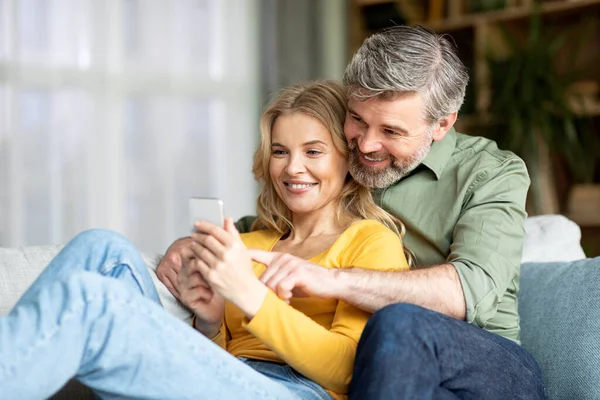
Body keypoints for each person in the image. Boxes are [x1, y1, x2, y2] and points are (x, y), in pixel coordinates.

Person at [157, 26, 547, 399]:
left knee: (395, 321)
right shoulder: (348, 164)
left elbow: (466, 290)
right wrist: (191, 245)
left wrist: (334, 280)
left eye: (391, 132)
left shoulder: (491, 173)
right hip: (384, 373)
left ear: (442, 124)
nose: (367, 145)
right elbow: (276, 224)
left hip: (483, 370)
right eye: (357, 119)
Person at [0, 80, 409, 400]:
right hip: (232, 379)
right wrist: (210, 321)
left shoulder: (371, 241)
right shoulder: (251, 241)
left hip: (298, 391)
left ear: (346, 157)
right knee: (100, 246)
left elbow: (347, 369)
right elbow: (220, 362)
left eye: (314, 151)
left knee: (91, 300)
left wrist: (250, 296)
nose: (292, 167)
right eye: (280, 151)